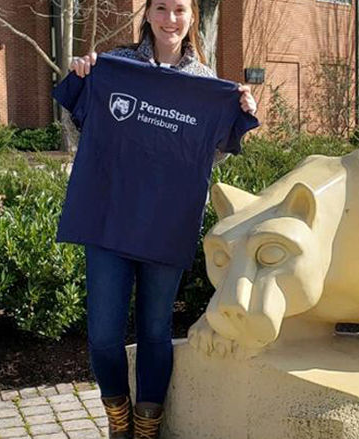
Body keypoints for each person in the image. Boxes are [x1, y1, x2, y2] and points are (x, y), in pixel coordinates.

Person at [63, 1, 258, 437]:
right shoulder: (115, 66)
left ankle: (147, 425)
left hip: (166, 223)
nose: (171, 19)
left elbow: (210, 156)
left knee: (155, 330)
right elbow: (82, 129)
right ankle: (118, 415)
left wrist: (239, 110)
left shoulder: (205, 83)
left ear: (191, 18)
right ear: (148, 13)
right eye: (163, 8)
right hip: (109, 218)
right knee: (104, 336)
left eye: (181, 10)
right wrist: (83, 78)